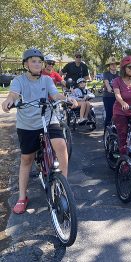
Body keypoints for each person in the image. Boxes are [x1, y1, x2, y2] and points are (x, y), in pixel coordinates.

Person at [1, 48, 78, 214]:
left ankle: (63, 185)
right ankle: (22, 197)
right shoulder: (19, 80)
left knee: (61, 146)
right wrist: (8, 101)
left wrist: (67, 99)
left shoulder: (46, 80)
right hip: (27, 124)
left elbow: (55, 95)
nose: (37, 64)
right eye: (33, 61)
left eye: (39, 61)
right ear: (26, 64)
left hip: (48, 119)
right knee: (27, 159)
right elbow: (13, 95)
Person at [103, 56, 119, 127]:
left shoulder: (119, 74)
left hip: (118, 96)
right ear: (109, 66)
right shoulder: (106, 74)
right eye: (111, 64)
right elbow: (107, 83)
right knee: (109, 114)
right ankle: (106, 132)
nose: (113, 65)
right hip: (108, 96)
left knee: (120, 114)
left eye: (115, 64)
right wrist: (109, 88)